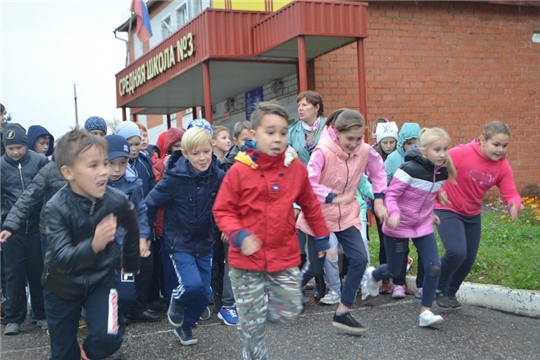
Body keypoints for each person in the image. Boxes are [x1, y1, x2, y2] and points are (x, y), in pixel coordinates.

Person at [212, 102, 332, 359]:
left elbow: (310, 204)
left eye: (282, 132)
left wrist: (322, 237)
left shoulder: (295, 168)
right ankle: (253, 347)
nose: (277, 138)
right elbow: (222, 210)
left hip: (283, 255)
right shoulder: (238, 170)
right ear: (254, 135)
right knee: (252, 328)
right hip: (244, 261)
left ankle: (259, 310)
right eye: (270, 132)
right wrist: (239, 235)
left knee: (290, 309)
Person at [40, 129, 140, 360]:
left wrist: (130, 261)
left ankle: (89, 355)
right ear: (68, 172)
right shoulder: (56, 208)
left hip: (100, 280)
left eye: (105, 163)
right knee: (63, 354)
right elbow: (62, 257)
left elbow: (132, 226)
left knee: (110, 337)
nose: (104, 171)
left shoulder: (116, 200)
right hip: (60, 286)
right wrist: (94, 244)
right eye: (93, 166)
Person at [296, 108, 387, 334]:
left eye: (359, 138)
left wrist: (379, 199)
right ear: (336, 132)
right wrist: (332, 197)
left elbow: (378, 173)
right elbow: (308, 182)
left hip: (346, 214)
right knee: (316, 266)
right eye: (349, 139)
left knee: (359, 258)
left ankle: (343, 312)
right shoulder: (323, 151)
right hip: (319, 216)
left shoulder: (364, 150)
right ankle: (289, 291)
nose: (354, 144)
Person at [365, 127, 457, 327]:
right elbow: (392, 195)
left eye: (444, 149)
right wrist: (395, 213)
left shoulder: (441, 171)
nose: (442, 154)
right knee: (394, 270)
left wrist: (434, 205)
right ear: (424, 151)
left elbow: (426, 193)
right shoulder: (408, 169)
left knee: (434, 266)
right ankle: (373, 275)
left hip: (422, 225)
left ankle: (425, 313)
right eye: (437, 150)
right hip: (398, 224)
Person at [146, 127, 224, 346]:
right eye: (196, 153)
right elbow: (149, 205)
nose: (202, 158)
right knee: (191, 285)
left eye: (206, 152)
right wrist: (144, 235)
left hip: (205, 242)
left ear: (212, 150)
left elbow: (234, 197)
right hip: (179, 242)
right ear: (187, 154)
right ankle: (177, 301)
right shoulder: (173, 178)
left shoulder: (217, 176)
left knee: (205, 292)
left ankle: (185, 325)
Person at [435, 121, 520, 310]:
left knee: (468, 257)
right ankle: (437, 287)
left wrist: (514, 203)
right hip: (447, 207)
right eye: (496, 145)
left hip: (472, 214)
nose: (500, 150)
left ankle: (450, 292)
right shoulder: (461, 153)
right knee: (457, 252)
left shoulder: (502, 166)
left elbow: (510, 191)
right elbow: (435, 168)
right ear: (482, 140)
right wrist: (436, 190)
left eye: (504, 146)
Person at [1, 123, 48, 335]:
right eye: (11, 148)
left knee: (40, 272)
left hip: (38, 228)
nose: (15, 152)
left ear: (25, 145)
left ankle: (41, 313)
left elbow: (49, 192)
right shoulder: (0, 167)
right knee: (14, 275)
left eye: (19, 147)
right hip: (12, 231)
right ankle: (13, 319)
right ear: (5, 148)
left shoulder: (39, 161)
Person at [105, 135, 156, 325]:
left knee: (126, 296)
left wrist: (143, 237)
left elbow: (141, 211)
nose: (117, 169)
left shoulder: (133, 182)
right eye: (111, 163)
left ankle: (118, 314)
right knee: (101, 294)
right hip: (99, 251)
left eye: (123, 162)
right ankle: (107, 325)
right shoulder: (92, 183)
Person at [288, 90, 328, 299]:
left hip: (325, 188)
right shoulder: (292, 131)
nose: (300, 109)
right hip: (300, 189)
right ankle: (301, 286)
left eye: (305, 105)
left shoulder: (329, 127)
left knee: (320, 235)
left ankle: (322, 284)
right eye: (299, 105)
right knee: (302, 236)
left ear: (317, 107)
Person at [381, 122, 423, 298]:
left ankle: (421, 284)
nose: (412, 147)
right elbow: (384, 182)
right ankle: (399, 283)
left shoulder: (425, 158)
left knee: (423, 249)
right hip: (397, 210)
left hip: (419, 211)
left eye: (416, 143)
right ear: (402, 143)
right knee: (400, 249)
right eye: (408, 143)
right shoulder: (392, 160)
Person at [148, 128, 185, 313]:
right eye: (176, 146)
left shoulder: (191, 162)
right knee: (170, 266)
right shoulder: (159, 166)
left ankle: (188, 298)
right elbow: (158, 191)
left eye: (182, 145)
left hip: (187, 223)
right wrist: (168, 169)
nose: (179, 150)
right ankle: (172, 299)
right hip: (166, 224)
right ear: (169, 148)